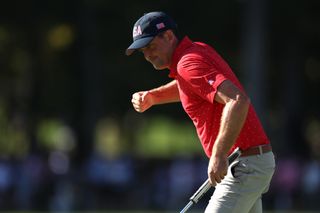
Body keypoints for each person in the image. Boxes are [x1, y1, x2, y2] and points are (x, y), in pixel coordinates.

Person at [126, 11, 275, 213]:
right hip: (249, 162)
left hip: (244, 164)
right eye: (143, 51)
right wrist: (153, 97)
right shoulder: (194, 53)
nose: (148, 55)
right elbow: (190, 85)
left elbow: (238, 101)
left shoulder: (188, 64)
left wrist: (219, 154)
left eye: (151, 46)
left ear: (169, 36)